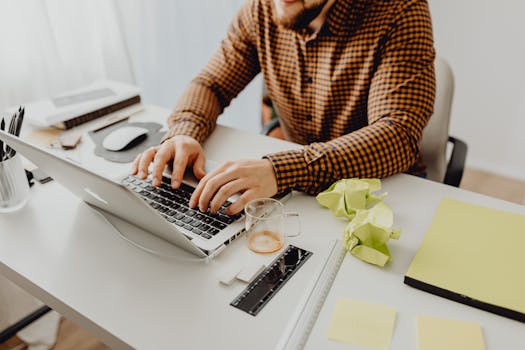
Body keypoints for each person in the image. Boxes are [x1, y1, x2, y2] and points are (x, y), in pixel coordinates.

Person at [131, 0, 436, 215]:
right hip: (298, 189)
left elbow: (397, 135)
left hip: (383, 190)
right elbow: (211, 84)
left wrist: (282, 170)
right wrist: (184, 133)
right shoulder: (260, 9)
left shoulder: (400, 10)